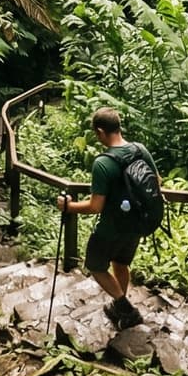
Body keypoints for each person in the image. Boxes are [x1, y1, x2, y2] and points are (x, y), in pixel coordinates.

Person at [58, 106, 160, 329]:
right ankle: (118, 306)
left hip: (112, 227)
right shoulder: (140, 150)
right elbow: (157, 182)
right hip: (137, 224)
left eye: (97, 133)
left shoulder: (103, 163)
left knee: (95, 265)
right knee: (121, 262)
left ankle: (126, 308)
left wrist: (69, 206)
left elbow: (95, 206)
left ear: (101, 132)